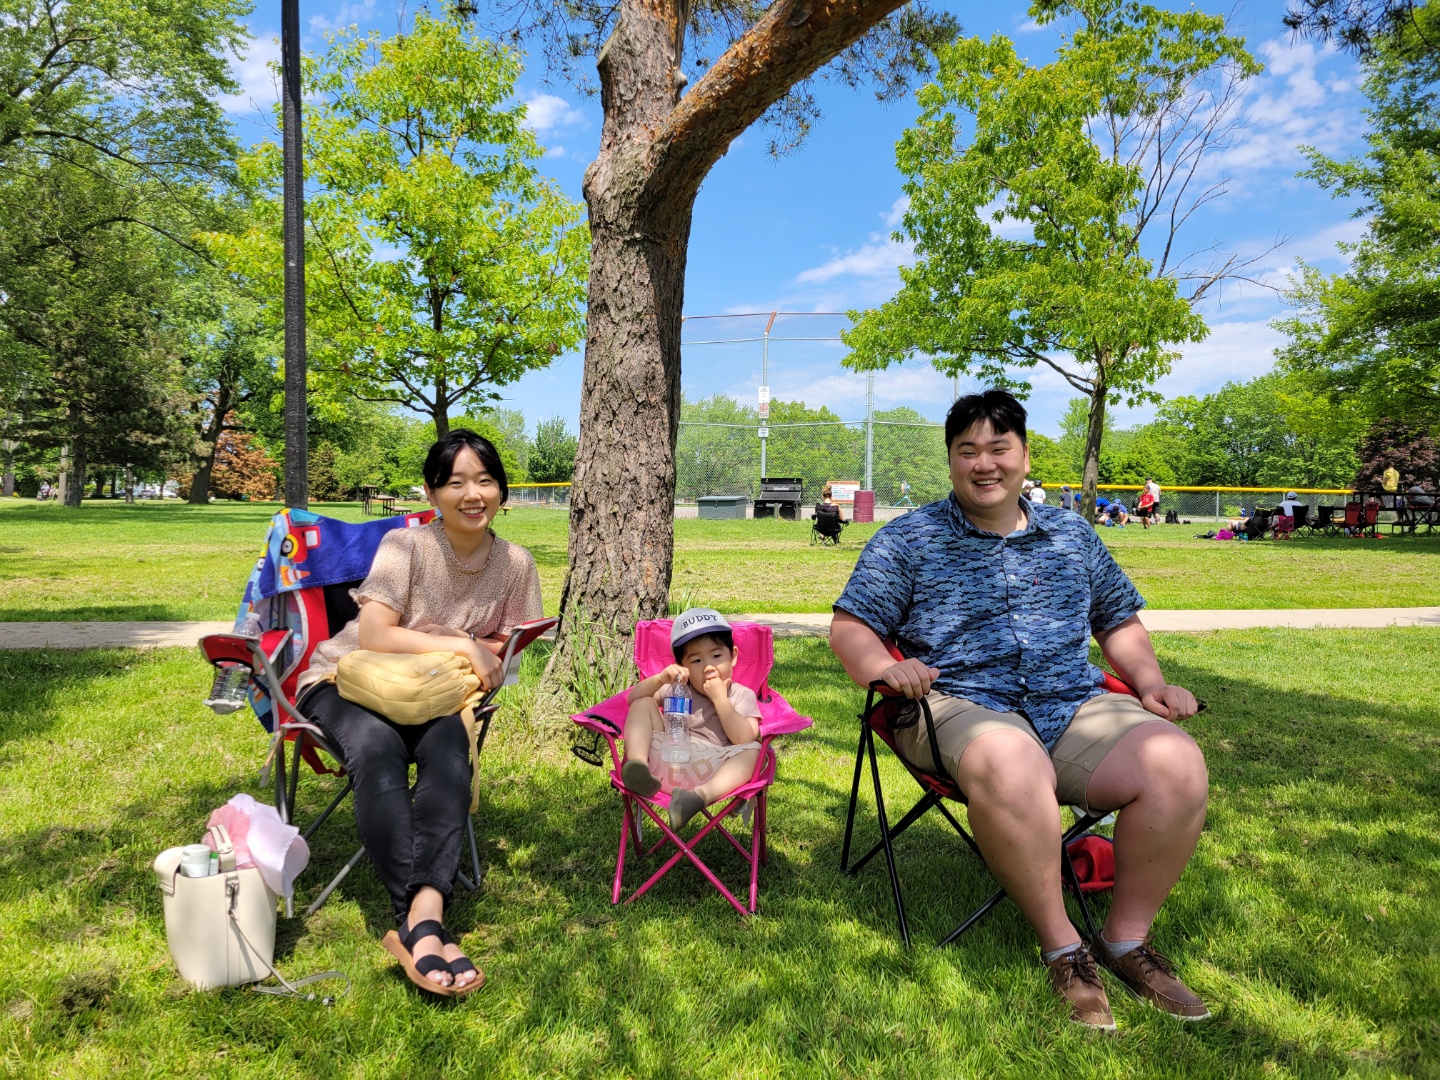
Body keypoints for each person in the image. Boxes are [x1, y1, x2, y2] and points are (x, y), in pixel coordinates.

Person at [830, 389, 1208, 1031]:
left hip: (1071, 702)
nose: (984, 463)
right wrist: (884, 668)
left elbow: (1117, 620)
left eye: (998, 448)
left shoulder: (1074, 536)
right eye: (967, 450)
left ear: (1025, 456)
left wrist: (1150, 683)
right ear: (951, 460)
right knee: (1012, 758)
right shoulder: (909, 539)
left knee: (1176, 761)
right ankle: (1064, 950)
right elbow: (851, 627)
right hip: (956, 703)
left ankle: (1125, 941)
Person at [295, 429, 543, 997]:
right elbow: (376, 634)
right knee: (377, 750)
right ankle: (423, 927)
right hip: (347, 679)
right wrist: (463, 643)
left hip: (435, 693)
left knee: (451, 753)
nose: (472, 494)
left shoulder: (517, 563)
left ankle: (421, 919)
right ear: (432, 493)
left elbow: (506, 650)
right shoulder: (406, 547)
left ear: (502, 490)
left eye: (485, 480)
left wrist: (474, 650)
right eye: (455, 482)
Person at [619, 609, 762, 830]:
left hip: (714, 772)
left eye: (716, 656)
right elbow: (633, 699)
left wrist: (720, 699)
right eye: (696, 660)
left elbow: (743, 737)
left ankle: (695, 799)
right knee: (643, 703)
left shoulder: (741, 695)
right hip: (668, 760)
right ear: (683, 667)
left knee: (754, 750)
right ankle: (637, 768)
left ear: (733, 656)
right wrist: (660, 679)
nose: (708, 667)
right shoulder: (678, 688)